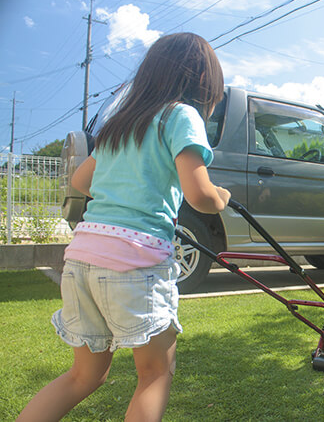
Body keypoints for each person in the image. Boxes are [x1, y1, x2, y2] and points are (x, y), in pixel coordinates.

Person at [17, 32, 230, 422]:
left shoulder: (120, 123)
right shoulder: (182, 116)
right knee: (154, 374)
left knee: (84, 376)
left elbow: (80, 181)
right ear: (204, 83)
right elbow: (199, 196)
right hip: (134, 263)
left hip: (81, 260)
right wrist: (220, 196)